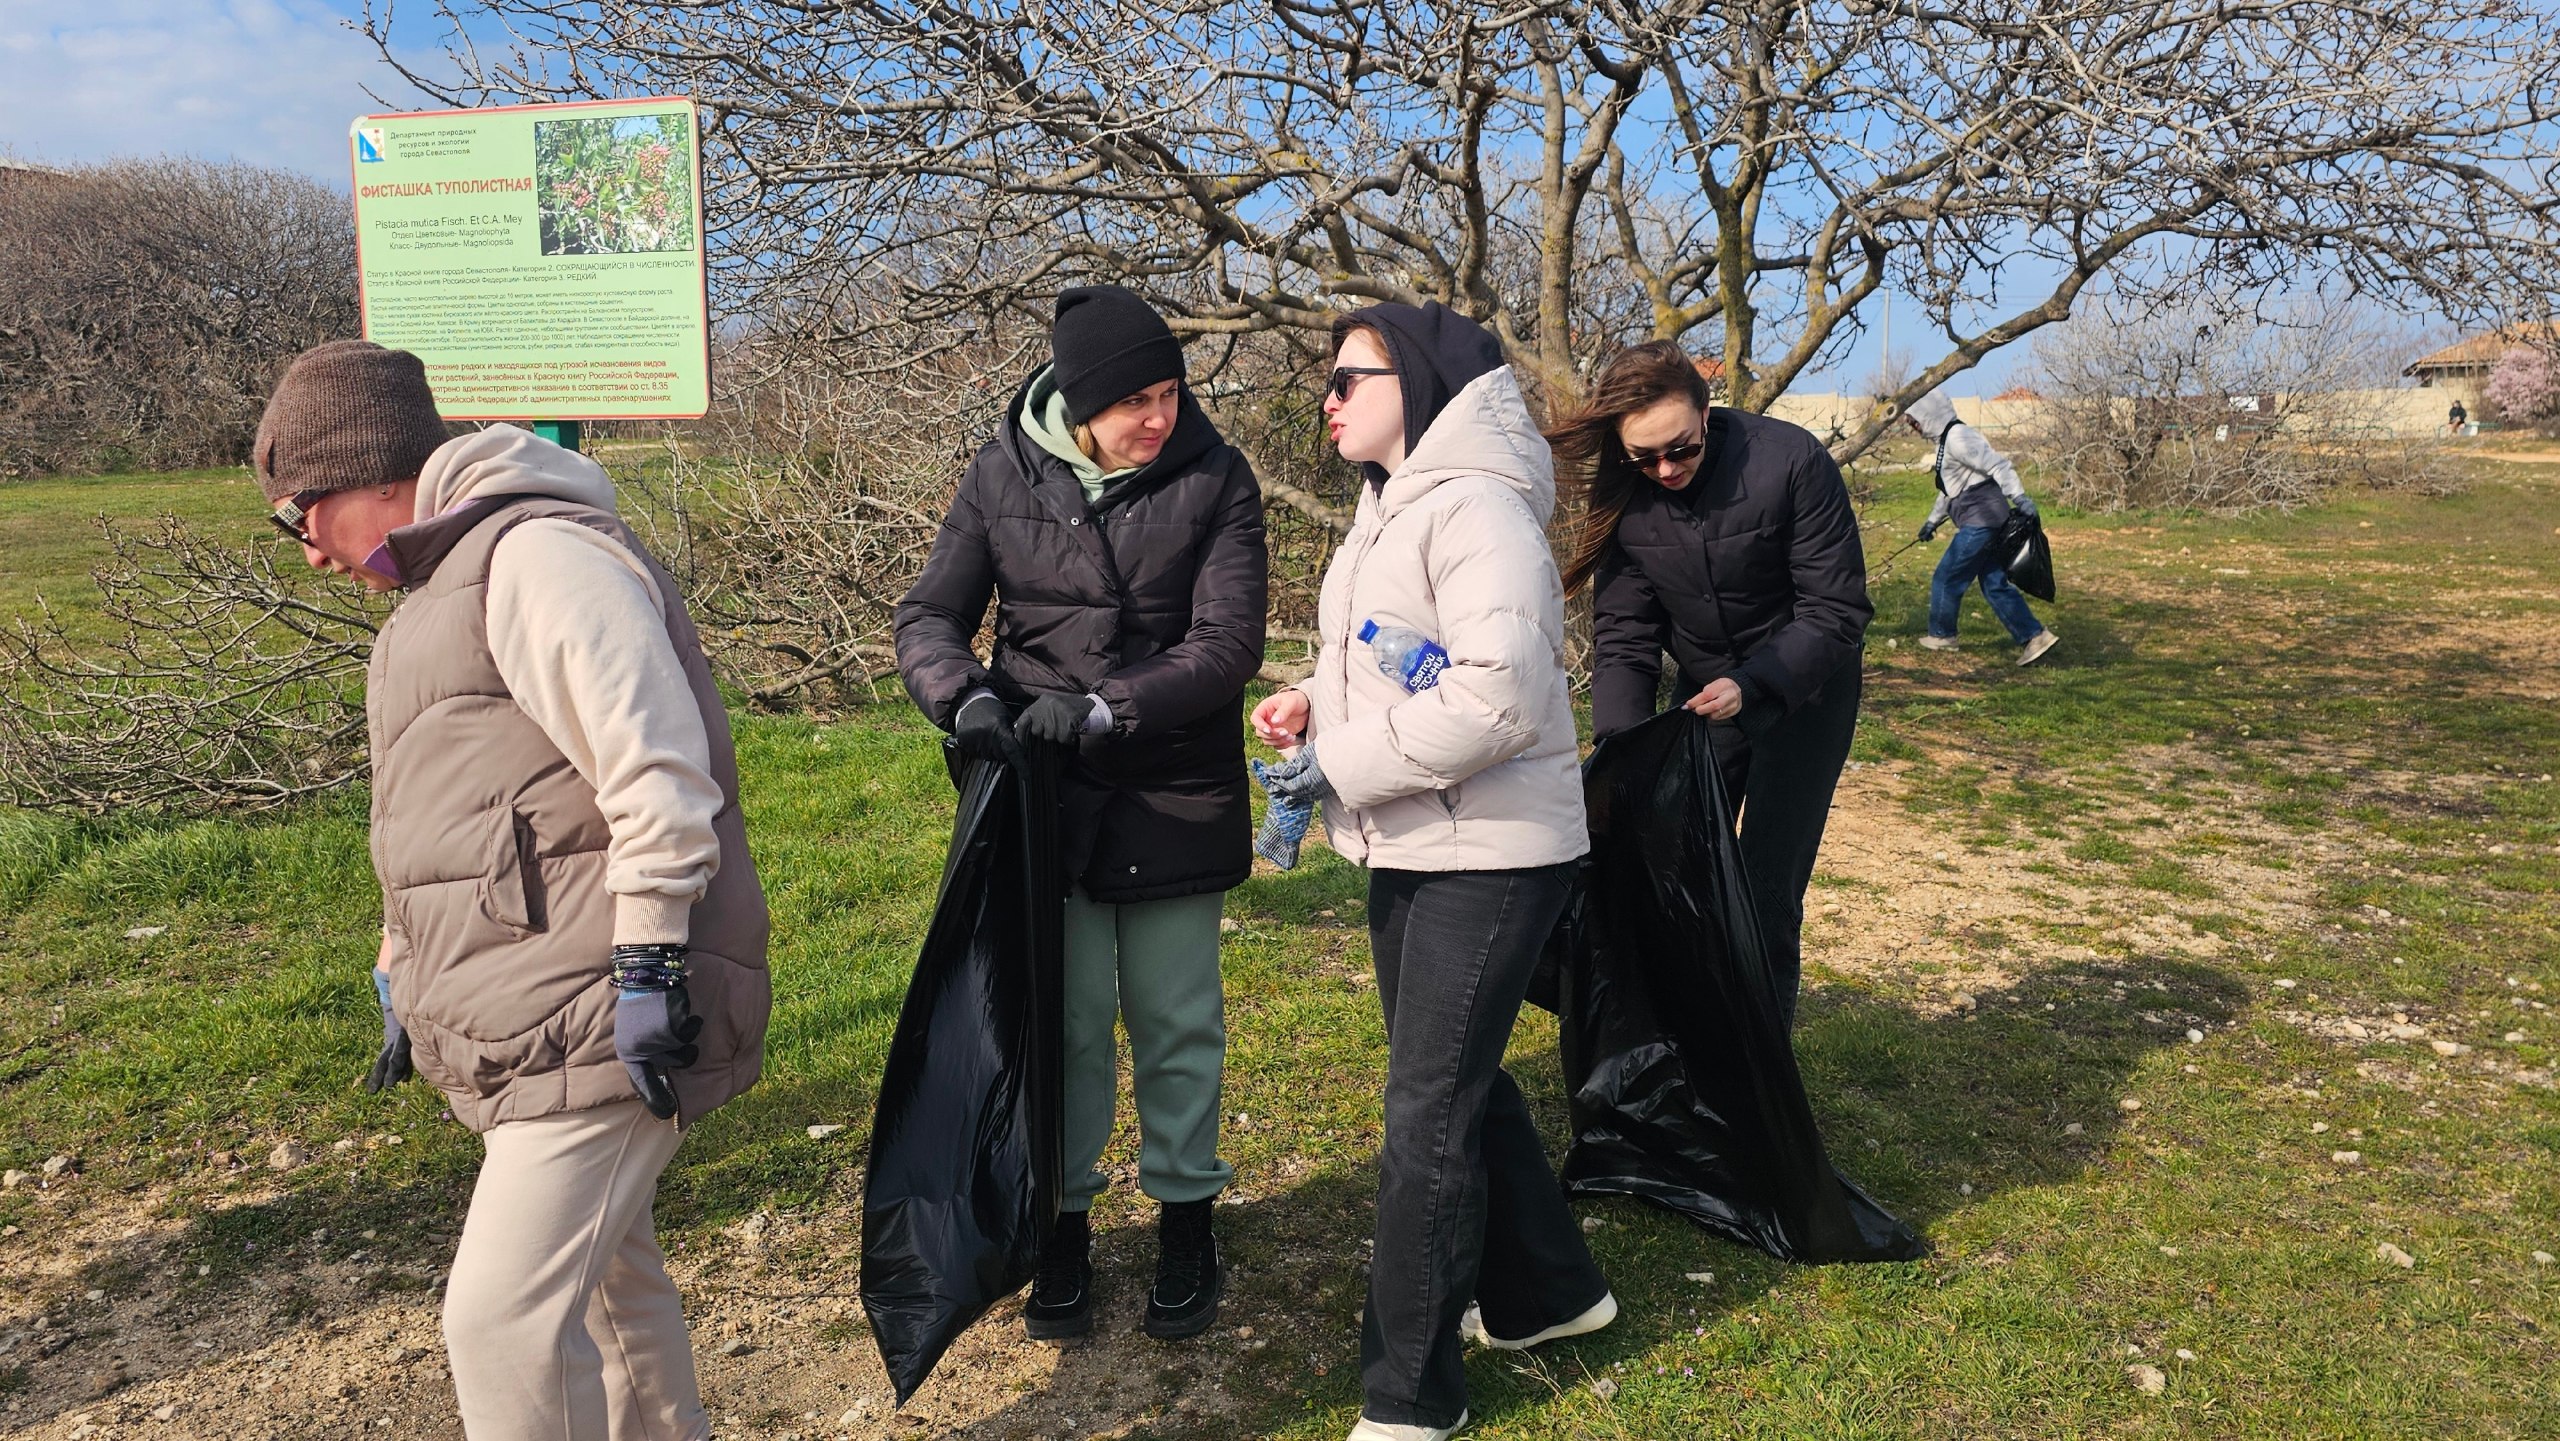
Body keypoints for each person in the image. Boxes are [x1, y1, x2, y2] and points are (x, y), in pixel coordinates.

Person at [254, 340, 770, 1441]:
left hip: (600, 1004)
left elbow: (660, 773)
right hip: (537, 1008)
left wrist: (649, 963)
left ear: (357, 477)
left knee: (500, 1324)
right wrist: (402, 961)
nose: (307, 553)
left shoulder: (536, 559)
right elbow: (449, 817)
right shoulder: (438, 592)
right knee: (610, 1285)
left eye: (298, 515)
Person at [1251, 303, 1612, 1441]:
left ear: (1414, 382)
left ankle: (1410, 1398)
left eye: (1346, 378)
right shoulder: (1387, 507)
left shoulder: (1479, 510)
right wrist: (1314, 704)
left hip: (1491, 854)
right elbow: (1391, 657)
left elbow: (1497, 701)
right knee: (1453, 1078)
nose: (1327, 399)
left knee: (1426, 1116)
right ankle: (1552, 1293)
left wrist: (1337, 765)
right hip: (1415, 837)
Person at [894, 285, 1268, 1343]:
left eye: (1170, 392)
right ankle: (1062, 1225)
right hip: (1041, 794)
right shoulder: (1000, 472)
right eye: (1133, 401)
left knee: (1176, 1017)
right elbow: (929, 614)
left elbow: (1228, 643)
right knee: (1064, 1024)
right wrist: (963, 698)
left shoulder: (1217, 476)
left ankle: (1187, 1217)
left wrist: (1108, 705)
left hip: (1171, 786)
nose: (1159, 416)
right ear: (1077, 400)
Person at [1550, 340, 1873, 1030]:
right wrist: (1624, 751)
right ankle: (1682, 1035)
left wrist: (1754, 684)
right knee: (1669, 863)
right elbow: (1626, 634)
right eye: (1645, 457)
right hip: (1705, 698)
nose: (1666, 469)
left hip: (1804, 691)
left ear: (1706, 411)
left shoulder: (1790, 461)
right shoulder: (1629, 494)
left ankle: (1755, 1060)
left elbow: (1835, 609)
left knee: (1765, 889)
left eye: (1682, 449)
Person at [1904, 390, 2059, 666]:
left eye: (1914, 420)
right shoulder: (1946, 441)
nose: (1913, 426)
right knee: (1993, 584)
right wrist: (1932, 521)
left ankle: (1942, 635)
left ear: (1928, 414)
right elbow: (1950, 490)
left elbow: (1998, 465)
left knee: (1947, 576)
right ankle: (2035, 637)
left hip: (1982, 522)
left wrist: (2019, 497)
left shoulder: (1958, 438)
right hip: (1985, 520)